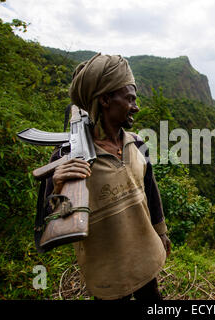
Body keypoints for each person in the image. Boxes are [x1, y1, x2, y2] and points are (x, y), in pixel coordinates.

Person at [44, 53, 171, 300]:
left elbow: (150, 192)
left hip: (145, 255)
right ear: (105, 99)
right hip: (107, 274)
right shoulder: (68, 157)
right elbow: (52, 221)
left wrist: (161, 231)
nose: (136, 106)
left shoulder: (137, 145)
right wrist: (57, 186)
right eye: (130, 99)